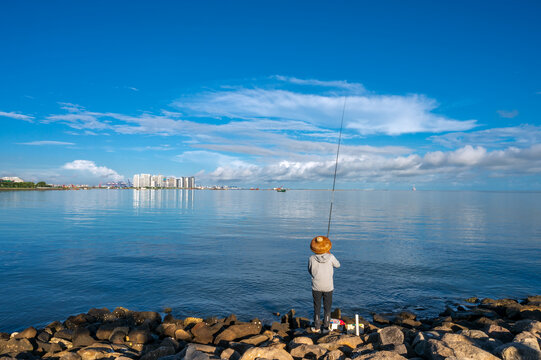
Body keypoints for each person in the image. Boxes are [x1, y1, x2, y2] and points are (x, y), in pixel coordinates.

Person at [308, 235, 340, 333]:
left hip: (316, 286)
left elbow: (310, 271)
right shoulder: (331, 257)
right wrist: (329, 254)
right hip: (328, 286)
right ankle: (326, 327)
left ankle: (317, 327)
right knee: (327, 307)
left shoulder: (311, 258)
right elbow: (338, 265)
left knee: (317, 306)